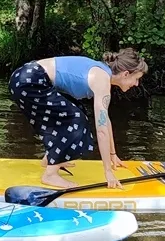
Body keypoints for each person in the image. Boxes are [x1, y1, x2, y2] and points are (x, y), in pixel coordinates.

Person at [9, 48, 148, 190]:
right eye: (136, 79)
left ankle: (51, 159)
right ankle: (50, 174)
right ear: (126, 74)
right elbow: (101, 131)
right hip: (30, 81)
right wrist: (108, 172)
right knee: (75, 119)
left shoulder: (102, 74)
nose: (136, 84)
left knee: (77, 111)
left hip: (25, 77)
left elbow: (104, 121)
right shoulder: (102, 79)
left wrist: (113, 154)